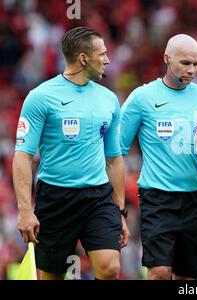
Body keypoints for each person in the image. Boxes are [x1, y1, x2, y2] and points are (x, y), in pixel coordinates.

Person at [12, 27, 130, 280]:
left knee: (110, 268)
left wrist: (120, 210)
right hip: (56, 197)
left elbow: (114, 158)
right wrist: (24, 210)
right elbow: (22, 156)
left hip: (97, 197)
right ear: (83, 58)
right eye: (103, 54)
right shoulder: (41, 97)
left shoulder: (109, 99)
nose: (108, 60)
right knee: (53, 274)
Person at [120, 34, 197, 280]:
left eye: (196, 64)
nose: (192, 70)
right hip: (157, 198)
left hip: (195, 198)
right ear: (167, 58)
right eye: (185, 63)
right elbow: (116, 150)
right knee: (159, 272)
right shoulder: (142, 98)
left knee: (187, 277)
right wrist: (116, 203)